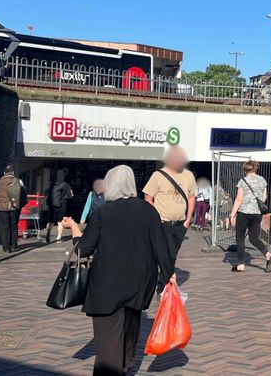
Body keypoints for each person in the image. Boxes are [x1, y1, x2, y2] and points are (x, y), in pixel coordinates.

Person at [60, 165, 173, 376]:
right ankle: (125, 367)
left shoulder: (104, 212)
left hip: (107, 285)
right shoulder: (148, 210)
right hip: (140, 282)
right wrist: (168, 275)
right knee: (130, 331)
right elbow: (161, 246)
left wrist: (75, 229)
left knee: (108, 341)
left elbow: (84, 249)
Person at [142, 146, 197, 272]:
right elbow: (148, 197)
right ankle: (165, 285)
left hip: (180, 224)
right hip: (163, 223)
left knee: (172, 256)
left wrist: (188, 219)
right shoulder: (158, 175)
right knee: (166, 256)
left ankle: (165, 285)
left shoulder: (189, 175)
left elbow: (191, 197)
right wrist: (156, 218)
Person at [228, 160, 271, 273]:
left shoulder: (243, 181)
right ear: (255, 168)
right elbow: (264, 197)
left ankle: (241, 265)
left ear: (245, 169)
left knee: (240, 238)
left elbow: (239, 200)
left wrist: (232, 214)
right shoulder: (262, 180)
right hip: (257, 213)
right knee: (254, 238)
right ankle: (267, 254)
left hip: (244, 213)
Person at [0, 165, 25, 253]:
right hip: (14, 207)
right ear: (13, 173)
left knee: (4, 227)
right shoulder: (19, 181)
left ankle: (6, 247)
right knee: (14, 226)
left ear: (4, 173)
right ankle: (14, 245)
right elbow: (23, 194)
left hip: (2, 209)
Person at [45, 168, 73, 243]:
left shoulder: (50, 184)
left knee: (50, 221)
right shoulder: (65, 185)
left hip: (51, 206)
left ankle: (48, 233)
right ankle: (58, 237)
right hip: (61, 205)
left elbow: (45, 193)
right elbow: (70, 196)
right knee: (60, 222)